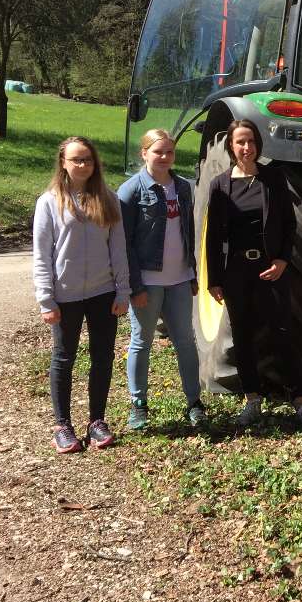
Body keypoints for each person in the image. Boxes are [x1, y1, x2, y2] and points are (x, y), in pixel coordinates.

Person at [203, 119, 302, 433]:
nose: (246, 148)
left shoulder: (273, 178)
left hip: (270, 270)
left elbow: (289, 224)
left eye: (251, 141)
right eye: (240, 142)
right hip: (236, 272)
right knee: (241, 335)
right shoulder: (220, 185)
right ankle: (252, 399)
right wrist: (214, 279)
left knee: (283, 333)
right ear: (231, 146)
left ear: (258, 145)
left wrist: (283, 260)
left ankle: (301, 401)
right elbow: (213, 237)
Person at [32, 136, 130, 454]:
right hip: (65, 296)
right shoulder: (49, 202)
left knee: (103, 357)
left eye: (87, 159)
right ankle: (63, 425)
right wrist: (46, 299)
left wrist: (123, 290)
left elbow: (119, 250)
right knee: (63, 358)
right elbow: (42, 255)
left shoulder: (109, 199)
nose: (83, 165)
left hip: (103, 293)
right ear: (63, 163)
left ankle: (97, 421)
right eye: (76, 159)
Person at [118, 128, 206, 431]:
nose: (165, 157)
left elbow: (189, 233)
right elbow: (124, 243)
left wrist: (192, 272)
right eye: (159, 152)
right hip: (148, 283)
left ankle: (194, 402)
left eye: (169, 152)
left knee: (186, 340)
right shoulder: (130, 191)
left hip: (180, 279)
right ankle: (139, 404)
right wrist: (135, 286)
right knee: (142, 342)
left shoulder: (183, 187)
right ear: (144, 153)